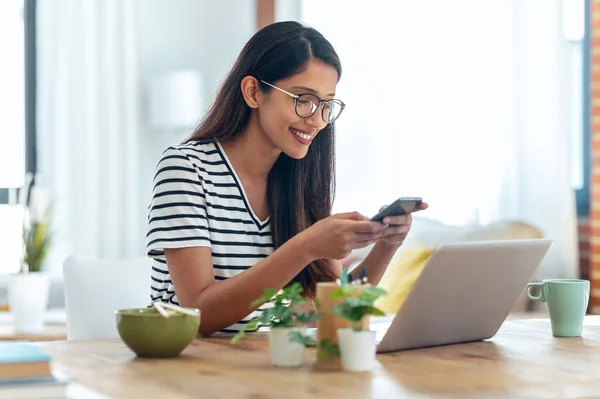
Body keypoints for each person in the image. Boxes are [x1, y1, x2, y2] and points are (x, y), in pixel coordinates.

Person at [146, 21, 428, 337]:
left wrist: (387, 245)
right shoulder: (186, 169)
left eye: (326, 104)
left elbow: (332, 309)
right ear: (253, 92)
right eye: (302, 99)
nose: (317, 119)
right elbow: (199, 315)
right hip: (192, 373)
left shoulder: (297, 181)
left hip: (271, 367)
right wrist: (305, 247)